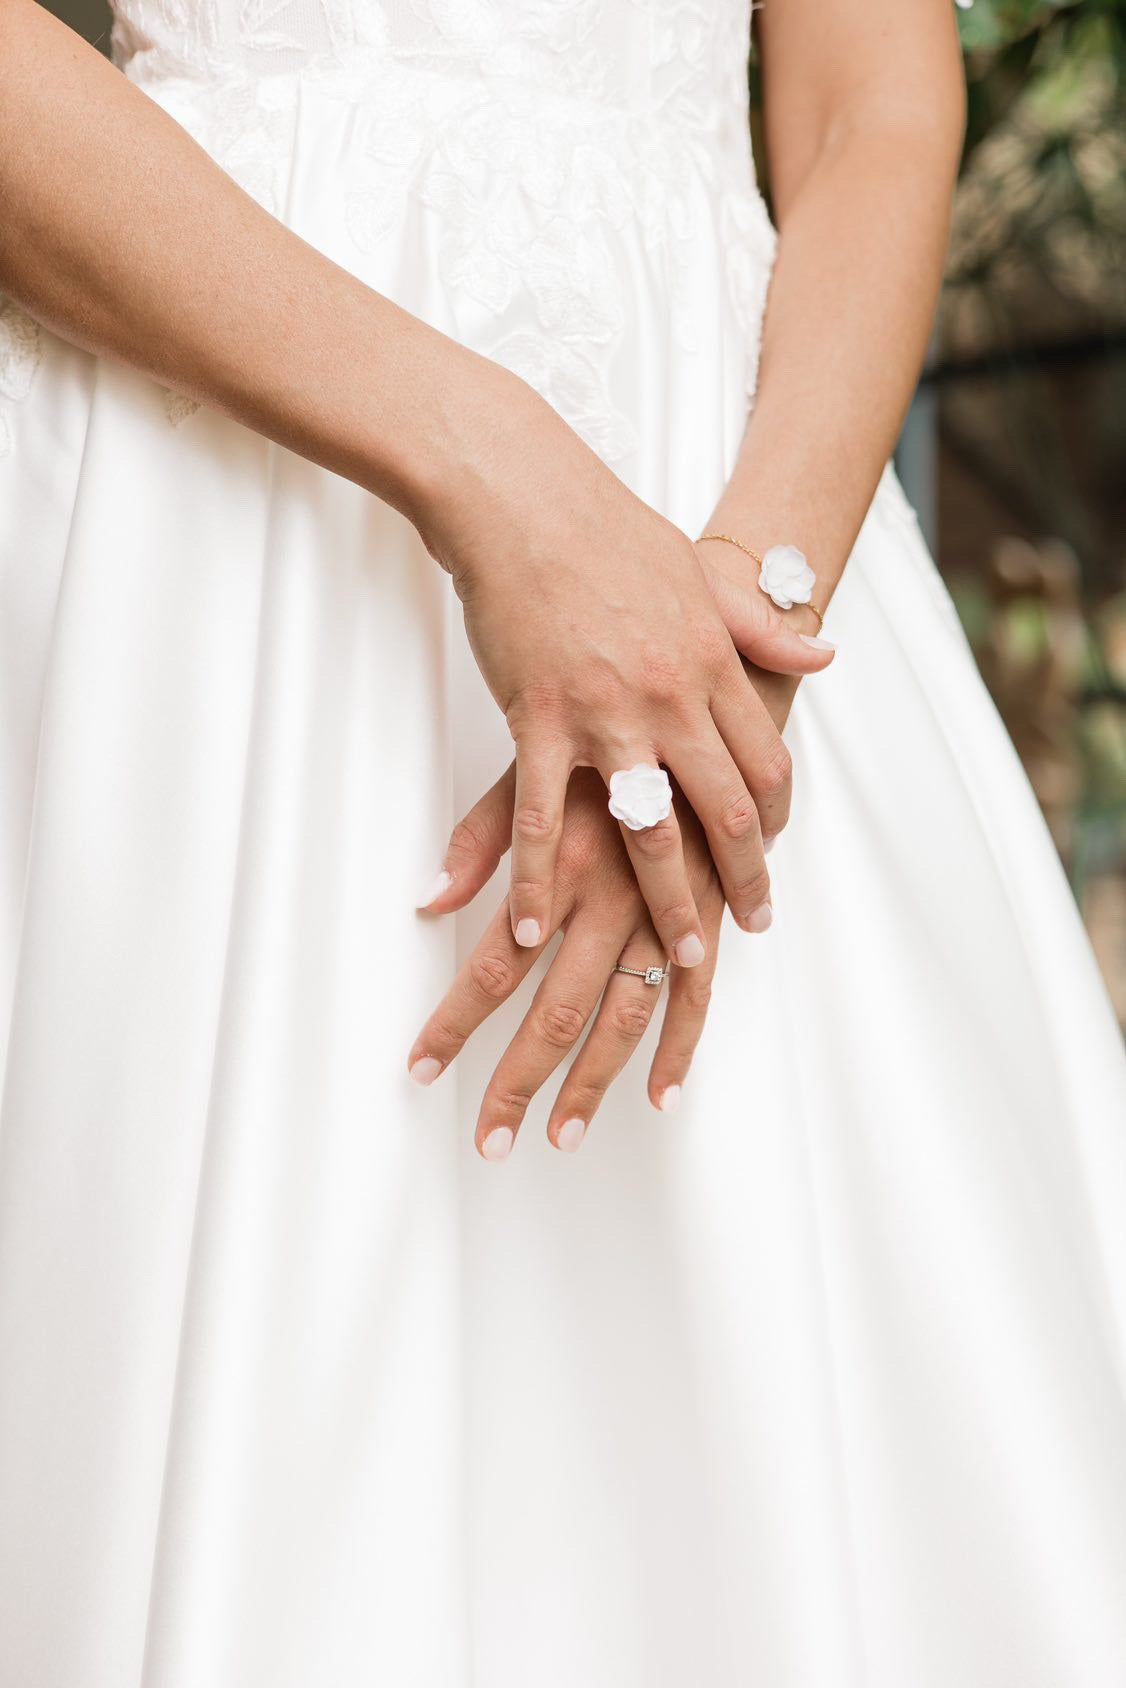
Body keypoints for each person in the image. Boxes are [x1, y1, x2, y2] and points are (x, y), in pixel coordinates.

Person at [2, 0, 1125, 1680]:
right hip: (219, 463)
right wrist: (502, 482)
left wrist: (734, 642)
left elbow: (871, 95)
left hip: (735, 475)